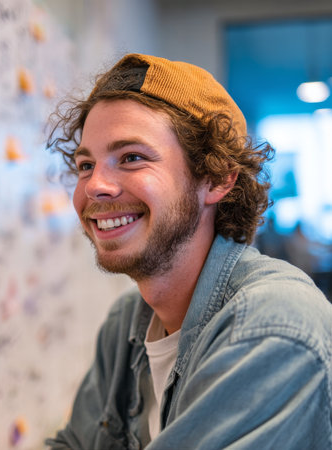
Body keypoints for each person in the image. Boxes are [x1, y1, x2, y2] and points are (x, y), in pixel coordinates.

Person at [45, 53, 332, 449]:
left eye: (131, 158)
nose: (96, 185)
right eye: (85, 164)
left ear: (215, 179)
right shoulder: (126, 323)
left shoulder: (274, 322)